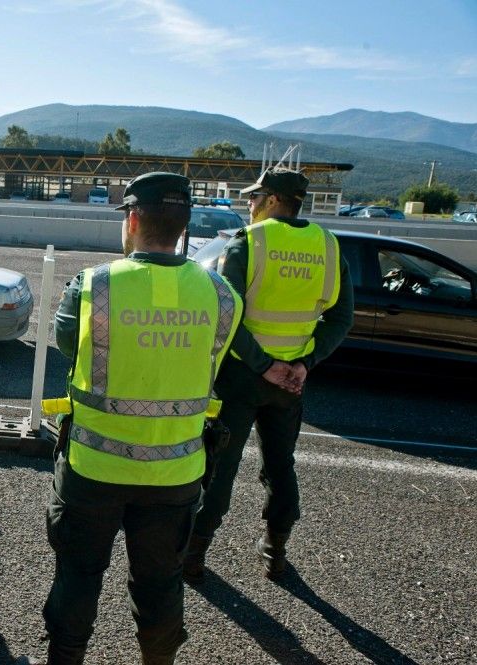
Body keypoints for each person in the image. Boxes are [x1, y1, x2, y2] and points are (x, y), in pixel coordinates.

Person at [38, 172, 243, 664]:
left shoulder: (93, 285)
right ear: (184, 225)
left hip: (94, 468)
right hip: (176, 472)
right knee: (160, 583)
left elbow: (68, 346)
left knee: (78, 576)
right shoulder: (222, 296)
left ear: (132, 219)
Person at [184, 167, 354, 584]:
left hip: (242, 377)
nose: (250, 203)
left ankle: (193, 555)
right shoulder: (328, 245)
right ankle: (275, 550)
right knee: (280, 466)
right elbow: (341, 318)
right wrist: (303, 364)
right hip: (291, 382)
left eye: (255, 197)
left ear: (274, 199)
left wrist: (264, 365)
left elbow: (227, 315)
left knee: (219, 467)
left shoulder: (249, 241)